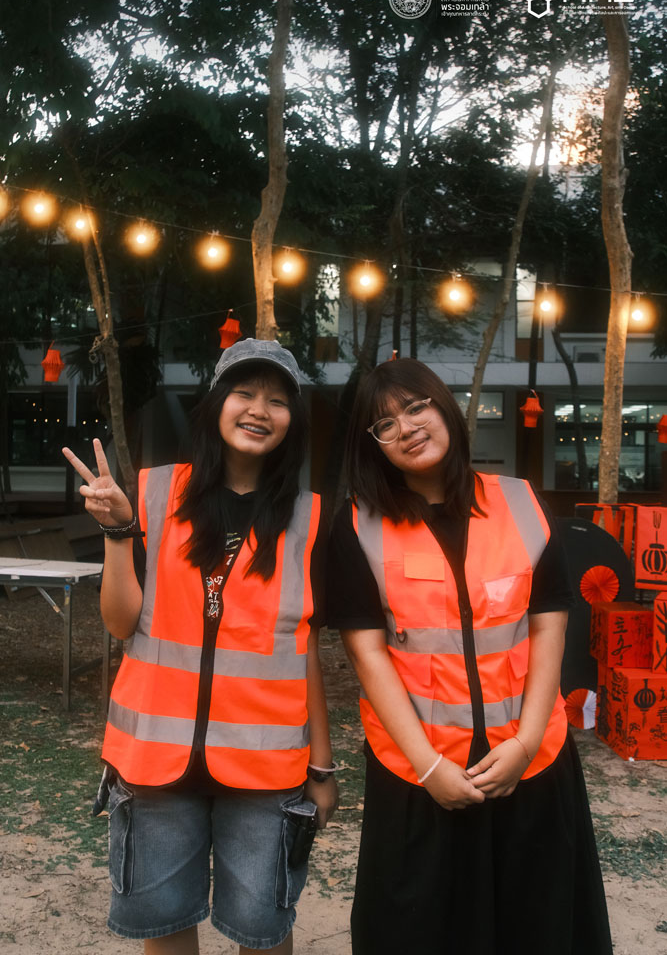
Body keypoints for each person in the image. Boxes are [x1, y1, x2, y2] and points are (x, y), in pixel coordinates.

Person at [328, 357, 612, 955]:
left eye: (416, 407)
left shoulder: (521, 503)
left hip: (530, 764)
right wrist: (429, 769)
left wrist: (526, 744)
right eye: (385, 424)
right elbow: (368, 654)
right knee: (423, 931)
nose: (407, 428)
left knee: (535, 926)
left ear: (445, 408)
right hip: (419, 774)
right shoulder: (357, 525)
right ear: (372, 443)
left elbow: (549, 628)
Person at [63, 338, 338, 955]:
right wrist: (118, 532)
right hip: (154, 760)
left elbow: (306, 651)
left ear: (292, 421)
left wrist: (321, 768)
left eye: (277, 400)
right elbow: (121, 623)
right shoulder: (156, 494)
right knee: (163, 924)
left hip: (265, 770)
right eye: (244, 393)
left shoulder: (310, 519)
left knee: (263, 929)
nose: (259, 410)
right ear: (216, 404)